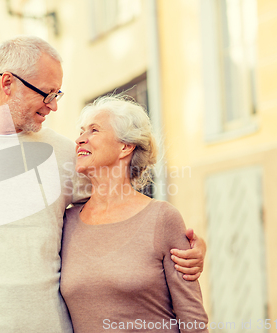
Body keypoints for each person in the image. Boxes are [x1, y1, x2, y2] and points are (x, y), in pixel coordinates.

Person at [0, 36, 205, 333]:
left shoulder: (63, 152)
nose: (54, 105)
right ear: (7, 83)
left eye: (58, 93)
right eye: (46, 93)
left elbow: (120, 208)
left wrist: (183, 250)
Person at [60, 95, 208, 332]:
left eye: (94, 130)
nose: (79, 140)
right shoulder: (66, 222)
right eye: (81, 131)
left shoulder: (162, 218)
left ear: (125, 147)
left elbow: (193, 319)